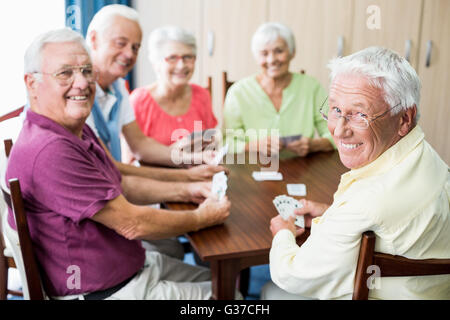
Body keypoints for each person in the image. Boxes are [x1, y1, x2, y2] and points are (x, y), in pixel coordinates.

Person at [5, 27, 232, 300]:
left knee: (225, 283)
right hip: (103, 290)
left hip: (132, 266)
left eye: (86, 71)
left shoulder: (69, 126)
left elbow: (120, 181)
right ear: (32, 83)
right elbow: (133, 223)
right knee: (230, 298)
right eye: (65, 73)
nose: (81, 83)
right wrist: (202, 217)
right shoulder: (51, 149)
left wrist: (187, 190)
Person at [262, 46, 450, 300]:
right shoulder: (428, 156)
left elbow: (292, 275)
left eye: (360, 114)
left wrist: (283, 231)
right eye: (336, 110)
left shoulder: (366, 203)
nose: (338, 130)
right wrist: (332, 215)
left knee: (272, 291)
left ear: (404, 119)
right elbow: (388, 218)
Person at [86, 4, 220, 172]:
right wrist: (188, 179)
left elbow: (141, 144)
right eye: (121, 43)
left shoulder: (118, 88)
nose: (129, 54)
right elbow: (119, 167)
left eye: (135, 48)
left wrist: (191, 159)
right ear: (93, 40)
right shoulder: (81, 91)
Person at [223, 22, 335, 157]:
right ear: (256, 57)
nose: (271, 60)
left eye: (279, 51)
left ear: (292, 52)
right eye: (264, 53)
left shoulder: (311, 87)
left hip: (302, 169)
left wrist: (313, 145)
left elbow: (335, 133)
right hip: (253, 168)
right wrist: (253, 146)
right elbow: (226, 143)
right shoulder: (238, 92)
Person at [130, 26, 217, 147]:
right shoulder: (139, 101)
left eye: (187, 57)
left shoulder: (202, 95)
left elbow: (211, 146)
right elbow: (129, 161)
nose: (181, 65)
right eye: (172, 58)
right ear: (156, 63)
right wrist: (178, 149)